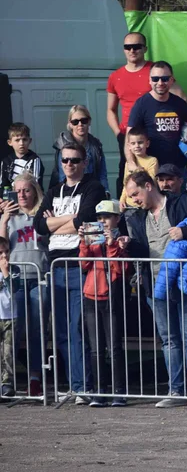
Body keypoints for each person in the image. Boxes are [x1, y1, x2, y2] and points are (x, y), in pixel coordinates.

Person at [124, 170, 187, 408]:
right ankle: (176, 390)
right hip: (155, 285)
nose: (134, 200)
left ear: (148, 186)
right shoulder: (136, 217)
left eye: (135, 194)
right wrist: (126, 245)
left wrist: (186, 232)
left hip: (186, 282)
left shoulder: (184, 201)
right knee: (169, 340)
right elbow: (142, 252)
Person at [34, 142, 107, 400]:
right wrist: (69, 221)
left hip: (79, 264)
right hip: (56, 266)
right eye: (65, 160)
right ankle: (75, 384)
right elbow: (39, 226)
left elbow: (85, 218)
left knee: (77, 328)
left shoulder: (93, 187)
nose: (69, 164)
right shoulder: (53, 190)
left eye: (75, 160)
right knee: (62, 330)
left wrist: (56, 223)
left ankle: (84, 386)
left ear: (85, 162)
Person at [106, 32, 186, 196]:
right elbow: (110, 109)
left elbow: (180, 97)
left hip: (157, 138)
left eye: (137, 46)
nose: (132, 50)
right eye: (128, 47)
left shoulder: (157, 71)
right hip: (131, 138)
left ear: (145, 48)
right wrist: (118, 134)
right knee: (130, 183)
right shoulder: (116, 76)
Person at [77, 199, 130, 407]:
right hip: (91, 296)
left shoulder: (123, 240)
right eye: (99, 218)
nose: (103, 221)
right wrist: (83, 241)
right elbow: (84, 264)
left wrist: (112, 246)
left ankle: (119, 392)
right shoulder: (93, 239)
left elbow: (121, 270)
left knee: (114, 347)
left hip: (112, 298)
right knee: (95, 349)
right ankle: (99, 392)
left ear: (117, 219)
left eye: (107, 217)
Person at [0, 173, 48, 396]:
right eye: (17, 191)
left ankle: (35, 377)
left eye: (26, 190)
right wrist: (4, 220)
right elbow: (2, 248)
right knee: (13, 331)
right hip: (16, 279)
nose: (21, 195)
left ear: (34, 191)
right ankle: (7, 378)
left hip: (39, 277)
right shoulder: (9, 218)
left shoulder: (42, 215)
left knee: (37, 329)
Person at [126, 61, 187, 171]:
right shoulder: (141, 104)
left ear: (171, 80)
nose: (160, 82)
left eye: (165, 78)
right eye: (155, 79)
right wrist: (131, 163)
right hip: (151, 168)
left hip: (179, 169)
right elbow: (130, 137)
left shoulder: (180, 104)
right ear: (149, 80)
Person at [49, 105, 107, 189]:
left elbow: (102, 175)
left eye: (84, 121)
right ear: (70, 124)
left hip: (92, 190)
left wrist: (105, 193)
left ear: (89, 121)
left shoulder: (96, 145)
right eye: (75, 122)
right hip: (69, 191)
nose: (80, 124)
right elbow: (62, 177)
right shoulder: (63, 145)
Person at [119, 127, 159, 208]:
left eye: (140, 142)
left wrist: (137, 170)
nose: (137, 146)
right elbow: (125, 184)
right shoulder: (128, 163)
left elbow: (151, 182)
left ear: (147, 144)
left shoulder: (152, 161)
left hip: (145, 203)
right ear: (129, 146)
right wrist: (122, 199)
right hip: (130, 204)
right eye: (133, 143)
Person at [0, 238, 15, 398]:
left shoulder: (14, 269)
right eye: (0, 253)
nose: (4, 256)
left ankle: (6, 383)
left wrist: (5, 273)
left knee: (7, 352)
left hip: (9, 316)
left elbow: (15, 289)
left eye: (6, 252)